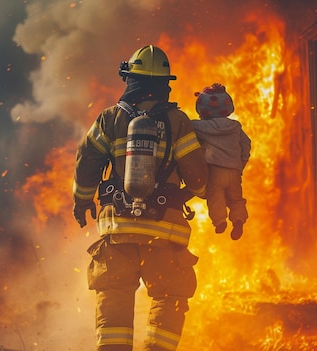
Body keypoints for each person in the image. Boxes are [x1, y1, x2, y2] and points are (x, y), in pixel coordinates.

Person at [72, 45, 208, 351]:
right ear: (165, 84)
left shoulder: (109, 119)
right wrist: (197, 190)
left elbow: (87, 162)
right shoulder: (179, 121)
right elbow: (198, 178)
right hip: (165, 233)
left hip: (119, 231)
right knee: (168, 299)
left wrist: (81, 201)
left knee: (115, 298)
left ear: (129, 79)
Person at [191, 83, 251, 240]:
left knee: (215, 196)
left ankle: (220, 221)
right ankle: (238, 220)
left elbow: (185, 127)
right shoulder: (235, 127)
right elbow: (246, 144)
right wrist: (241, 164)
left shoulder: (199, 127)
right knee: (236, 199)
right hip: (234, 172)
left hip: (216, 172)